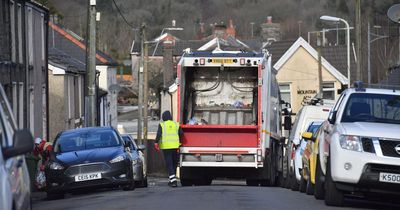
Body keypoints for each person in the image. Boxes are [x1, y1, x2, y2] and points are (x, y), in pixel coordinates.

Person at [154, 110, 183, 187]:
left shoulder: (162, 125)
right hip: (175, 147)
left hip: (166, 147)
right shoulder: (176, 124)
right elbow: (181, 134)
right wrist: (180, 143)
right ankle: (172, 179)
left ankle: (173, 181)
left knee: (169, 164)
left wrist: (156, 142)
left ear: (163, 117)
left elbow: (159, 134)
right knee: (174, 163)